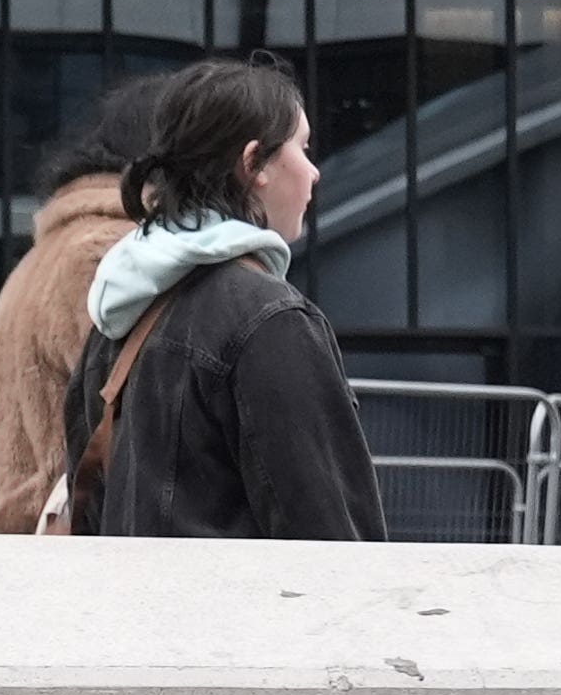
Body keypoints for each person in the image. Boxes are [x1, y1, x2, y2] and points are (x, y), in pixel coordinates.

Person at [57, 60, 380, 541]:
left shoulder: (121, 310)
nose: (313, 173)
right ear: (254, 164)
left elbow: (92, 511)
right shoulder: (271, 321)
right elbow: (329, 535)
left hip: (134, 611)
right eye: (301, 147)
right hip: (240, 613)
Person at [0, 95, 141, 535]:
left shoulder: (46, 253)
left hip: (33, 534)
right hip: (78, 540)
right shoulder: (106, 253)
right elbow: (130, 417)